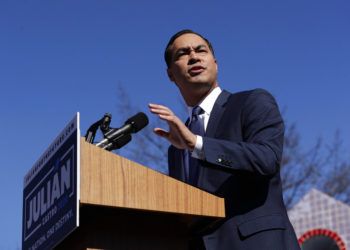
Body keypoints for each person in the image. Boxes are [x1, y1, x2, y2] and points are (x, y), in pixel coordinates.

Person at [149, 29, 300, 250]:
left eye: (201, 50)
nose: (194, 56)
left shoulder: (252, 102)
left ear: (215, 63)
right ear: (171, 74)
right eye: (183, 53)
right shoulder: (176, 147)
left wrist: (197, 144)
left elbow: (266, 159)